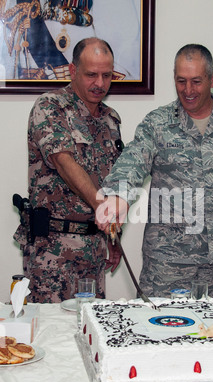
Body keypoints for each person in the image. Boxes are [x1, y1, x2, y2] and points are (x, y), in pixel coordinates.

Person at [96, 44, 213, 298]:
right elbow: (133, 160)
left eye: (197, 81)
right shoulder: (157, 123)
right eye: (181, 81)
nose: (188, 90)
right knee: (156, 332)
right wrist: (117, 195)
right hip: (168, 260)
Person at [14, 37, 123, 303]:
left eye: (106, 75)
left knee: (90, 330)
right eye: (91, 74)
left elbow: (115, 178)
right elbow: (64, 162)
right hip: (52, 251)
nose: (100, 83)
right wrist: (102, 206)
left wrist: (113, 237)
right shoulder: (50, 107)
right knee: (50, 336)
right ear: (73, 71)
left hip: (93, 251)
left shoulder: (111, 119)